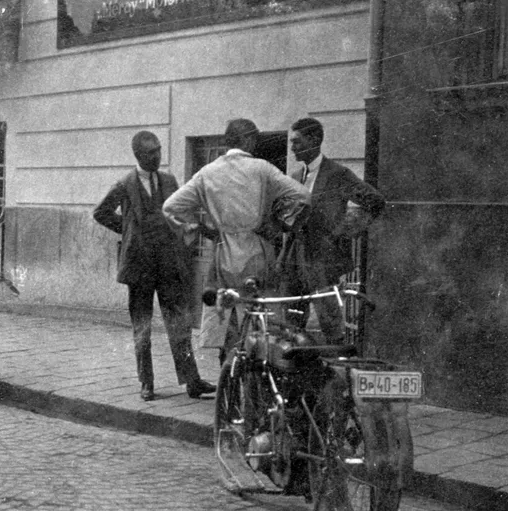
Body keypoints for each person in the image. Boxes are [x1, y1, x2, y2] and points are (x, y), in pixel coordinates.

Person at [163, 118, 310, 361]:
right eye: (254, 139)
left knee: (228, 319)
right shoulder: (262, 169)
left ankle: (229, 380)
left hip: (223, 254)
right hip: (257, 252)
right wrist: (282, 224)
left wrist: (199, 228)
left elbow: (171, 207)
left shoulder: (207, 172)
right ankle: (258, 383)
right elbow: (303, 197)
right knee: (263, 321)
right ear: (249, 140)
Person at [94, 131, 216, 401]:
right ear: (138, 155)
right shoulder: (125, 184)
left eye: (159, 150)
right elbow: (100, 212)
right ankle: (146, 382)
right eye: (151, 153)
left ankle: (192, 382)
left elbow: (181, 210)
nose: (157, 156)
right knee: (142, 326)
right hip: (139, 267)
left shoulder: (170, 180)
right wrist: (128, 232)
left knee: (179, 325)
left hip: (168, 263)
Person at [283, 117, 386, 343]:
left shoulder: (337, 174)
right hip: (296, 259)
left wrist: (343, 230)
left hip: (323, 261)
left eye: (297, 142)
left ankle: (337, 370)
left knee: (331, 325)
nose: (292, 148)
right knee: (292, 323)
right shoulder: (295, 177)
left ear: (315, 139)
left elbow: (375, 201)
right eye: (291, 142)